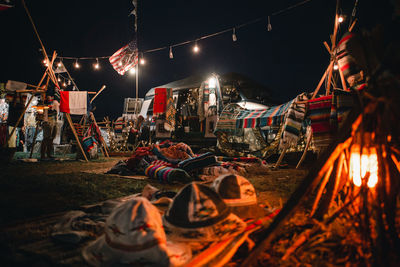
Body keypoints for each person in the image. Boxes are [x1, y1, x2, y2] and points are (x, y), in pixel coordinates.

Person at [40, 86, 60, 159]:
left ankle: (48, 154)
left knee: (51, 138)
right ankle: (43, 155)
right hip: (47, 121)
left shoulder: (54, 101)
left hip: (54, 121)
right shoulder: (47, 101)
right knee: (46, 138)